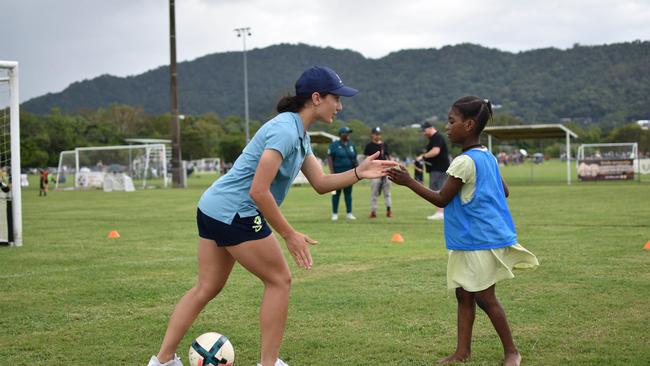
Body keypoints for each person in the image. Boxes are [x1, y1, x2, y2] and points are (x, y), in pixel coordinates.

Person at [147, 65, 396, 366]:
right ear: (317, 98)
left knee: (207, 287)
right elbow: (258, 191)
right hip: (235, 211)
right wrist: (289, 234)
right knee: (279, 280)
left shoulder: (298, 134)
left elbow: (320, 183)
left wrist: (358, 172)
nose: (340, 106)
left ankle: (162, 361)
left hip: (213, 206)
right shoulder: (285, 131)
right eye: (336, 99)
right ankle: (268, 363)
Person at [388, 96, 538, 366]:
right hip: (470, 239)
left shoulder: (464, 162)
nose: (446, 127)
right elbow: (505, 191)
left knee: (484, 296)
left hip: (478, 239)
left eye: (451, 121)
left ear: (468, 125)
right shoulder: (487, 156)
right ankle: (462, 353)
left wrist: (409, 182)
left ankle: (512, 352)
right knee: (464, 294)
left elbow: (441, 199)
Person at [417, 121, 450, 220]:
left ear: (429, 128)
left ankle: (440, 212)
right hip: (436, 168)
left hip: (439, 168)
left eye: (424, 131)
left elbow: (436, 151)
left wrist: (423, 156)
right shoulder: (433, 138)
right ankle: (440, 212)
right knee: (435, 188)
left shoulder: (437, 137)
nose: (423, 133)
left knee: (438, 190)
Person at [327, 126, 358, 220]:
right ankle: (334, 213)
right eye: (346, 133)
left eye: (349, 133)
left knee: (348, 194)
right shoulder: (334, 145)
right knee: (335, 194)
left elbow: (354, 159)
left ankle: (349, 213)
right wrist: (332, 172)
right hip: (337, 174)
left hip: (349, 174)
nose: (348, 135)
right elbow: (329, 158)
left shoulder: (351, 145)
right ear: (341, 134)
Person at [363, 127, 392, 218]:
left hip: (385, 171)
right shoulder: (369, 146)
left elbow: (388, 158)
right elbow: (367, 159)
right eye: (376, 134)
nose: (378, 136)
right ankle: (373, 211)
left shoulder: (384, 145)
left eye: (379, 134)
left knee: (387, 192)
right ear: (372, 134)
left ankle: (388, 209)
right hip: (374, 172)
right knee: (374, 193)